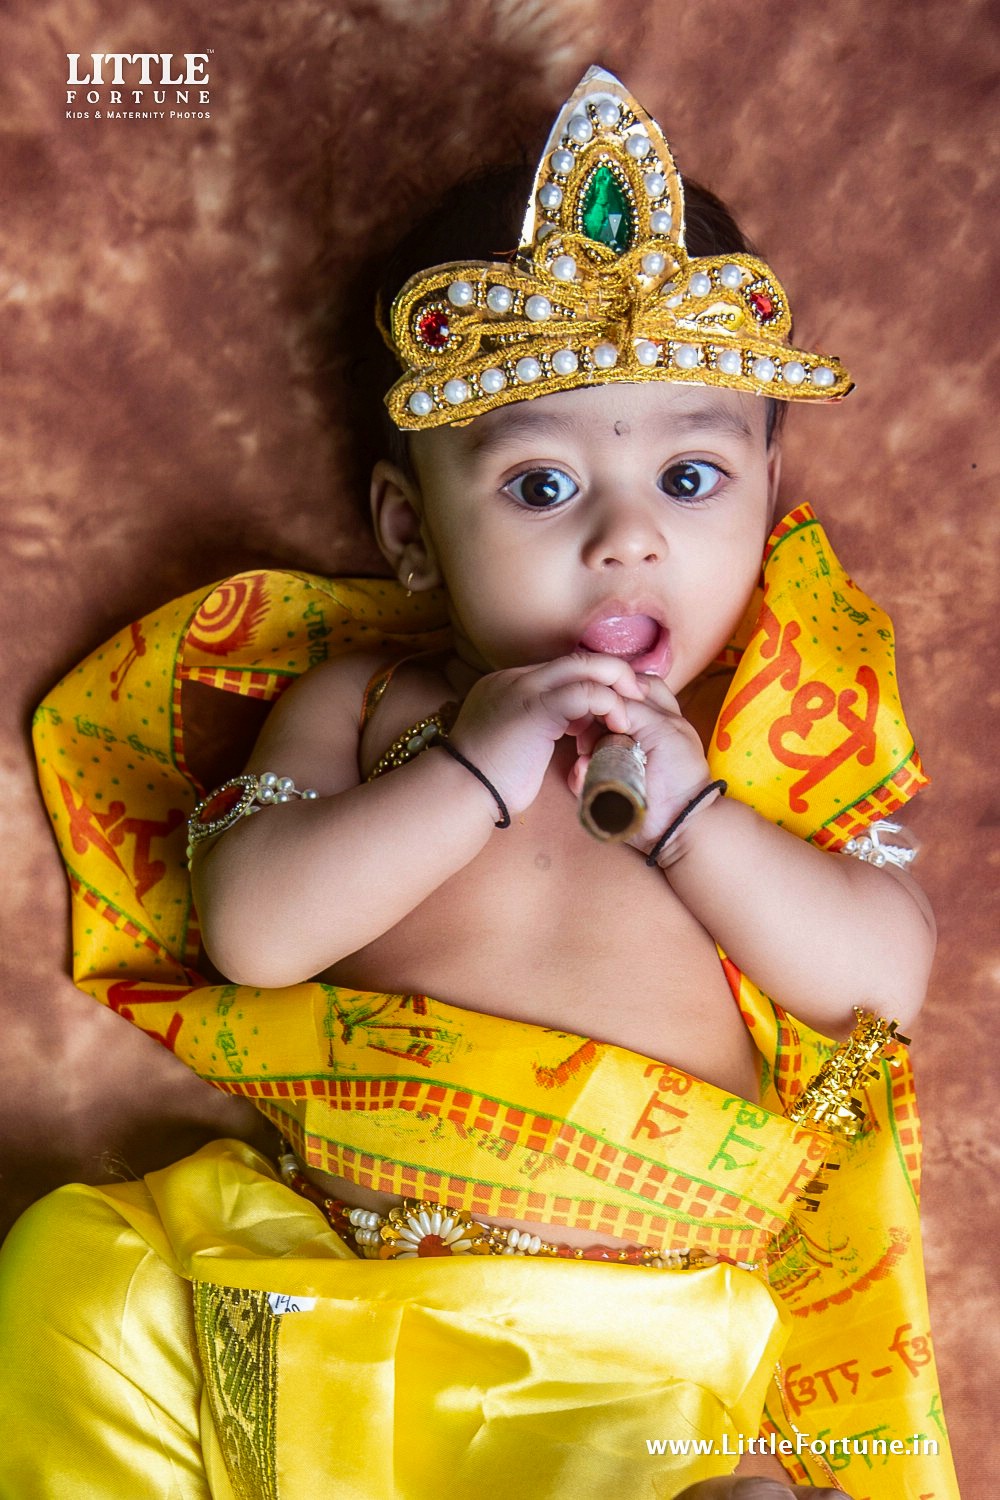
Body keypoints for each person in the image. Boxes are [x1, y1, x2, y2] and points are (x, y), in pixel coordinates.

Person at [1, 68, 958, 1499]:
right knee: (77, 1273)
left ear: (770, 497)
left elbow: (877, 987)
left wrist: (696, 822)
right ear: (409, 532)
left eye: (691, 479)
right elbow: (252, 933)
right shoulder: (368, 707)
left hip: (635, 1348)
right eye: (540, 487)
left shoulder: (762, 741)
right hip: (330, 1283)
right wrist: (468, 770)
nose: (626, 540)